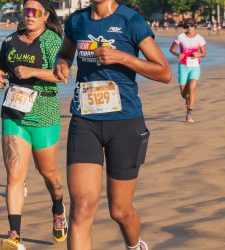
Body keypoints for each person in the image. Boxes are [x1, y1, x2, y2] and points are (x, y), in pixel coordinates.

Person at [54, 0, 171, 249]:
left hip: (125, 123)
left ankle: (134, 245)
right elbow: (65, 52)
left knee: (120, 211)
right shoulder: (77, 20)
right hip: (85, 121)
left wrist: (122, 57)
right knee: (82, 207)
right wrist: (61, 62)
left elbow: (164, 72)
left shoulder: (131, 21)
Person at [0, 0, 67, 249]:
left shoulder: (53, 41)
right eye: (27, 11)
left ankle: (57, 208)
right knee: (14, 174)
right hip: (13, 112)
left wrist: (32, 72)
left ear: (45, 16)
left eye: (36, 12)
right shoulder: (11, 40)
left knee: (48, 173)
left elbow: (63, 75)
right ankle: (14, 234)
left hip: (44, 112)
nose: (30, 16)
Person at [170, 18, 206, 123]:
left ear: (195, 26)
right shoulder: (180, 37)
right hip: (183, 66)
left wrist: (198, 54)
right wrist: (178, 54)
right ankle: (187, 99)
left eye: (190, 25)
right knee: (183, 93)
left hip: (195, 66)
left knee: (192, 89)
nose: (188, 28)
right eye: (186, 26)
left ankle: (189, 115)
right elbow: (171, 49)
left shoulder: (200, 39)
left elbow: (204, 54)